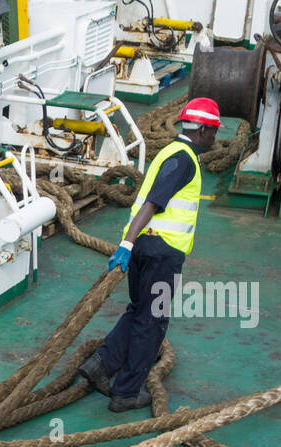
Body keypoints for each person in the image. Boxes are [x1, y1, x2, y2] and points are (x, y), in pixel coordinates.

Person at [77, 97, 221, 412]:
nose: (215, 137)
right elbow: (153, 203)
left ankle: (102, 364)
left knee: (139, 310)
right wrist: (126, 245)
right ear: (203, 130)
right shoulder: (184, 159)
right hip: (161, 253)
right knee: (152, 321)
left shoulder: (169, 152)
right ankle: (126, 393)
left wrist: (130, 244)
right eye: (214, 131)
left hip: (145, 247)